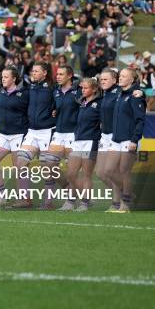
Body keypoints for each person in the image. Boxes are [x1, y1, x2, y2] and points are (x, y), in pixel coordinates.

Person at [12, 61, 57, 209]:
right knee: (20, 163)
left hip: (47, 131)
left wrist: (56, 112)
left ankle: (49, 201)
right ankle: (25, 199)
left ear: (45, 73)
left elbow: (63, 102)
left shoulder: (52, 87)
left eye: (37, 71)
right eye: (33, 71)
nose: (33, 73)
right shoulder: (30, 87)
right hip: (32, 131)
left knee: (47, 168)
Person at [102, 68, 146, 213]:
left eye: (124, 76)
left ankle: (125, 205)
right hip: (116, 139)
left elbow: (140, 120)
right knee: (108, 170)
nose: (120, 78)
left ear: (132, 80)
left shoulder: (135, 95)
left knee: (124, 171)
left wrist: (135, 140)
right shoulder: (120, 94)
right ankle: (128, 193)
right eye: (120, 75)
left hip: (129, 139)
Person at [0, 66, 29, 208]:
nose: (3, 79)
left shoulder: (24, 94)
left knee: (19, 167)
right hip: (3, 134)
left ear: (14, 79)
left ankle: (24, 199)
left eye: (6, 77)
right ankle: (1, 196)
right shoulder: (0, 92)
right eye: (2, 77)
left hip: (19, 134)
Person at [61, 77, 102, 212]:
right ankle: (75, 200)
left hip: (91, 141)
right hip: (78, 140)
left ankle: (83, 203)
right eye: (82, 88)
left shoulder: (100, 103)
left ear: (95, 89)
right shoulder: (82, 101)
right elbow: (75, 86)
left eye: (86, 88)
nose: (83, 90)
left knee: (86, 175)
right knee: (71, 173)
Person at [47, 66, 80, 209]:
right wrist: (54, 111)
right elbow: (55, 107)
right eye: (57, 74)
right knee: (48, 167)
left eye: (61, 74)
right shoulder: (56, 91)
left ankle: (70, 202)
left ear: (70, 76)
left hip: (73, 133)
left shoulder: (79, 91)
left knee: (71, 170)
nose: (58, 76)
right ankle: (72, 190)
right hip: (58, 133)